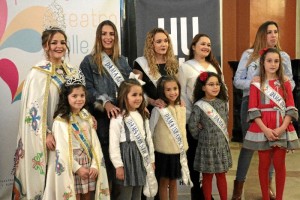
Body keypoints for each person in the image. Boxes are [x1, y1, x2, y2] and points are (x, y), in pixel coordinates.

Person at [11, 27, 78, 199]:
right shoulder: (37, 73)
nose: (59, 46)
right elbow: (32, 110)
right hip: (47, 137)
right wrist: (46, 134)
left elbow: (79, 100)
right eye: (54, 42)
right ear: (46, 46)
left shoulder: (71, 71)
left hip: (67, 133)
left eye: (62, 42)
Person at [232, 21, 295, 200]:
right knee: (249, 146)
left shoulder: (283, 56)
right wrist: (257, 85)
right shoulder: (248, 55)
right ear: (261, 34)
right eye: (269, 32)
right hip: (252, 104)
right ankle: (238, 187)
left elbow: (291, 82)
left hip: (277, 107)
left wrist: (278, 86)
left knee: (274, 144)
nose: (273, 35)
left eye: (276, 32)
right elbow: (238, 81)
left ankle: (268, 186)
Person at [79, 20, 132, 193]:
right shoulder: (89, 61)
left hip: (121, 121)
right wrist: (105, 102)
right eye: (104, 33)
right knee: (104, 168)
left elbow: (129, 89)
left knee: (120, 167)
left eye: (111, 33)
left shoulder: (123, 62)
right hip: (101, 122)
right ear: (98, 37)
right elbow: (86, 89)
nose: (108, 37)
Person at [242, 48, 300, 200]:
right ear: (263, 62)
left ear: (280, 63)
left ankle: (279, 197)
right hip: (263, 128)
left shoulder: (285, 83)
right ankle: (265, 197)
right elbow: (253, 110)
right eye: (269, 61)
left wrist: (282, 128)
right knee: (264, 164)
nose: (273, 64)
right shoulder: (256, 83)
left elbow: (291, 108)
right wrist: (265, 130)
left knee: (280, 164)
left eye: (276, 61)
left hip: (281, 125)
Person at [43, 72, 110, 200]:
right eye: (74, 96)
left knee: (87, 196)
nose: (79, 99)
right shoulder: (61, 121)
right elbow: (61, 150)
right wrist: (77, 168)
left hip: (88, 162)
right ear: (66, 97)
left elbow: (94, 143)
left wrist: (95, 165)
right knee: (74, 195)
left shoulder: (86, 116)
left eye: (82, 95)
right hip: (71, 165)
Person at [178, 33, 225, 200]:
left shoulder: (214, 67)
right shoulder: (186, 67)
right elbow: (182, 95)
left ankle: (206, 194)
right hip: (194, 122)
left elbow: (222, 93)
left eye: (209, 44)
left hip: (212, 123)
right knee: (193, 160)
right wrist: (192, 120)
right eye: (202, 44)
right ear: (193, 46)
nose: (206, 47)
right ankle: (196, 194)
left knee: (209, 160)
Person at [109, 77, 157, 200]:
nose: (138, 98)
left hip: (141, 156)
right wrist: (118, 165)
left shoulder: (143, 114)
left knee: (138, 193)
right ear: (124, 97)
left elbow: (148, 139)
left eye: (140, 94)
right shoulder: (118, 117)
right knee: (126, 194)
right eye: (134, 95)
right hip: (127, 158)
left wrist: (151, 159)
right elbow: (113, 144)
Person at [188, 72, 232, 200]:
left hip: (221, 146)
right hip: (206, 147)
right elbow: (192, 126)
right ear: (203, 87)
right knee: (207, 177)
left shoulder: (222, 103)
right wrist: (201, 136)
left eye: (217, 84)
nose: (215, 87)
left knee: (221, 176)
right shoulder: (199, 105)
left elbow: (225, 120)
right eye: (211, 84)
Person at [149, 76, 192, 200]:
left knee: (173, 182)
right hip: (163, 152)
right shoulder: (159, 109)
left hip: (178, 151)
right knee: (163, 182)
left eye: (175, 88)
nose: (173, 92)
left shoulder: (182, 107)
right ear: (162, 91)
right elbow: (151, 129)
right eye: (168, 90)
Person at [133, 27, 179, 111]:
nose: (163, 44)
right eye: (159, 42)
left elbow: (177, 88)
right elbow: (134, 89)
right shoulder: (141, 63)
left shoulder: (173, 63)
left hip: (170, 111)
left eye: (166, 41)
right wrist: (152, 101)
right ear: (151, 44)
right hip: (150, 110)